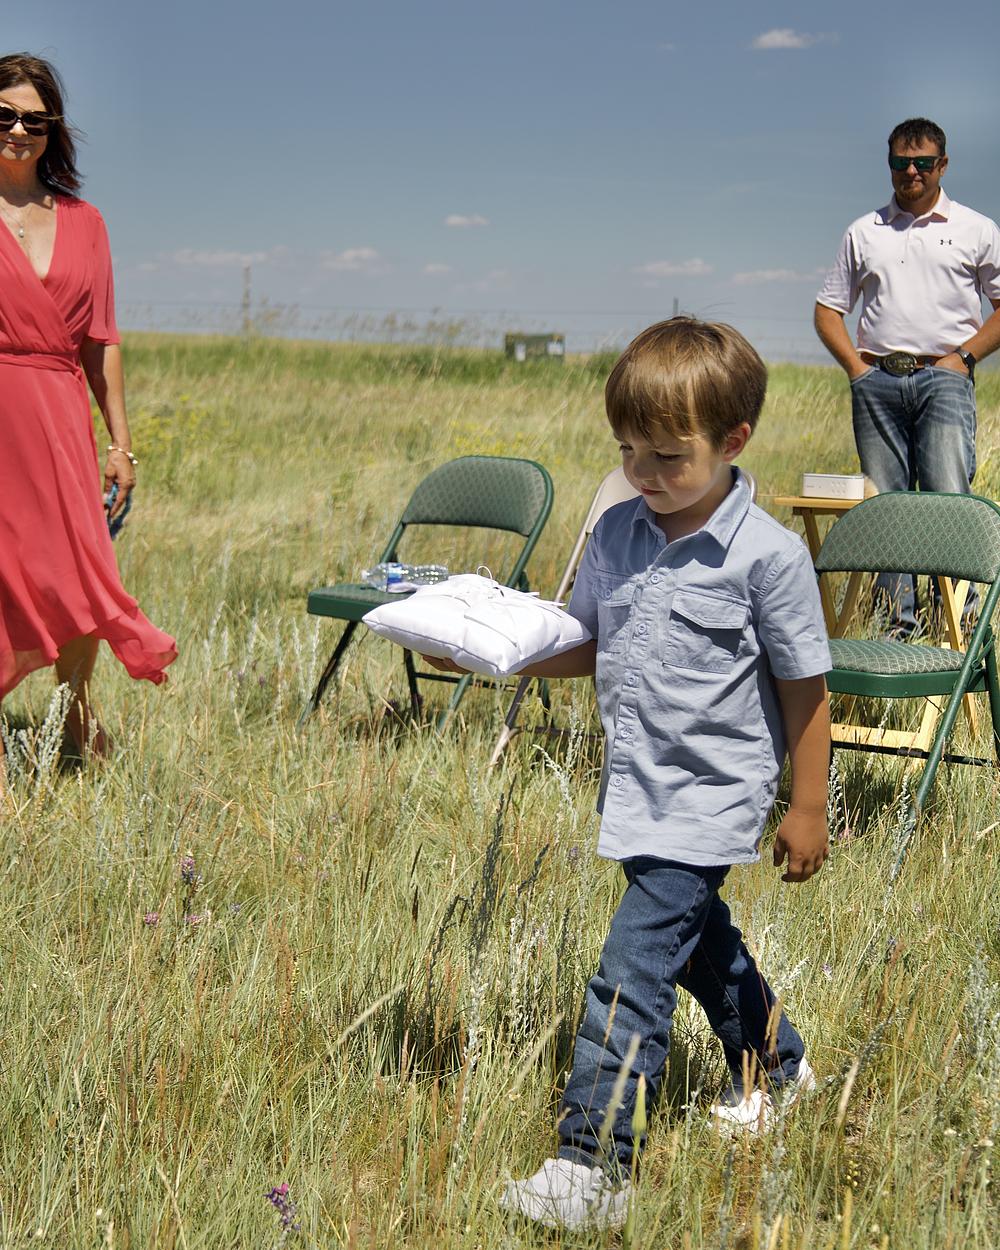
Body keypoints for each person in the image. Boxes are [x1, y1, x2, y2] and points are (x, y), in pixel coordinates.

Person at [425, 318, 832, 1232]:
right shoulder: (616, 530)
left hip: (712, 797)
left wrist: (808, 806)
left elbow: (807, 692)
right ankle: (780, 1064)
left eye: (668, 457)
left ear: (734, 441)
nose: (642, 473)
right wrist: (488, 655)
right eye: (626, 451)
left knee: (631, 970)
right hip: (637, 786)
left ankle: (594, 1165)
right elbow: (587, 641)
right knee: (697, 946)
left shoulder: (769, 558)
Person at [0, 53, 177, 793]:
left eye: (34, 120)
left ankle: (73, 711)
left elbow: (102, 341)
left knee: (75, 569)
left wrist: (120, 443)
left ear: (54, 130)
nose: (18, 130)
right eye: (4, 114)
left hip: (60, 414)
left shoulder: (85, 221)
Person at [815, 117, 1000, 634]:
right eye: (901, 161)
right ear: (889, 164)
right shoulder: (864, 232)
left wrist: (963, 360)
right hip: (876, 382)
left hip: (944, 378)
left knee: (947, 498)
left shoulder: (977, 229)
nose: (911, 171)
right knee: (886, 505)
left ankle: (955, 624)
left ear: (943, 165)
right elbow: (828, 310)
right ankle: (896, 624)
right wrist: (857, 370)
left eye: (922, 162)